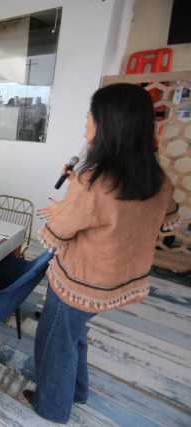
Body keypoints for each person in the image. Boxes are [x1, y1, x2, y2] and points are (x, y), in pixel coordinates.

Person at [26, 83, 180, 424]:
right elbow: (150, 218)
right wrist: (75, 195)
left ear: (109, 125)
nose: (85, 126)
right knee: (74, 335)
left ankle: (51, 407)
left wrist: (68, 204)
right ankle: (77, 391)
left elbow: (57, 233)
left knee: (55, 342)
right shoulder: (158, 179)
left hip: (80, 282)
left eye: (89, 118)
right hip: (120, 282)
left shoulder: (95, 182)